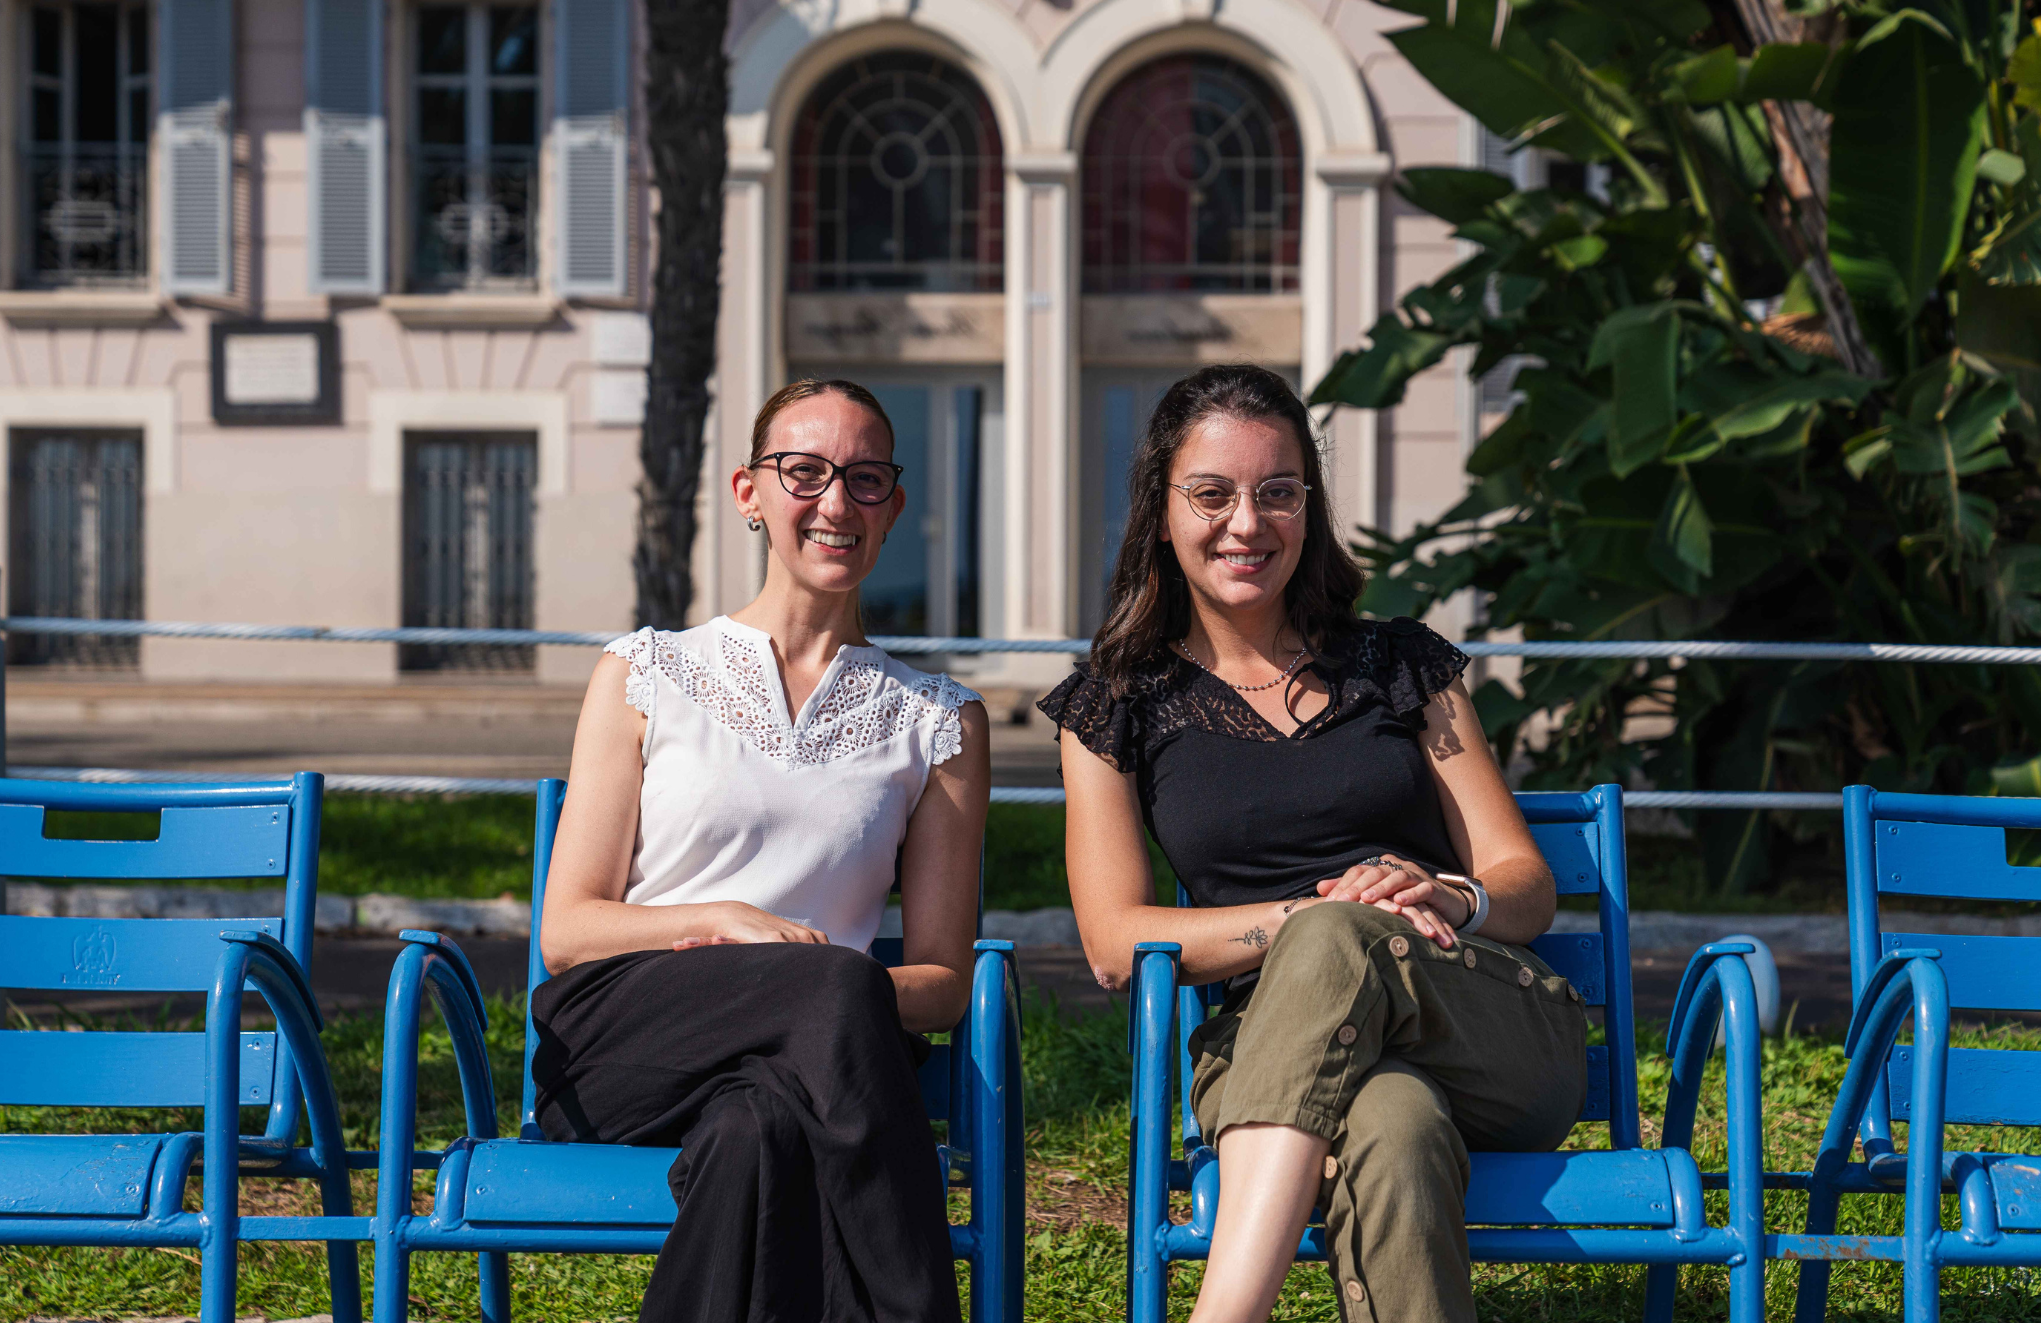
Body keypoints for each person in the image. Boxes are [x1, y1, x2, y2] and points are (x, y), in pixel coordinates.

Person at [1041, 364, 1586, 1323]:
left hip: (1481, 1024)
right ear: (1160, 510)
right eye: (1211, 494)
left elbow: (1525, 885)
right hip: (1264, 1051)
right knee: (1392, 1122)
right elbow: (1113, 941)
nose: (1246, 523)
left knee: (1340, 942)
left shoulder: (1402, 665)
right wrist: (1312, 917)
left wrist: (1446, 893)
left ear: (1309, 507)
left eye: (1277, 493)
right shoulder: (1116, 701)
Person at [530, 378, 990, 1323]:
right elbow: (567, 931)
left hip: (815, 1065)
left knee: (756, 1132)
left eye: (865, 480)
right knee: (831, 987)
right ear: (748, 491)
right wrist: (727, 926)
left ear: (894, 507)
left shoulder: (938, 719)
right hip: (632, 1036)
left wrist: (820, 982)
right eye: (805, 473)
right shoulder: (646, 671)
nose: (835, 503)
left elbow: (943, 978)